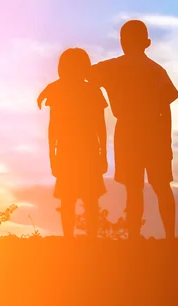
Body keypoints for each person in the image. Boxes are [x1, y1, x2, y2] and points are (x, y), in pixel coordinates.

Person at [88, 20, 178, 240]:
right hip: (155, 131)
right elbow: (166, 111)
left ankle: (133, 236)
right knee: (161, 186)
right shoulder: (157, 70)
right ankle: (170, 237)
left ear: (122, 42)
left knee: (133, 188)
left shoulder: (112, 67)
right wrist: (167, 142)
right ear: (147, 43)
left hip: (128, 131)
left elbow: (84, 73)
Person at [37, 48, 108, 238]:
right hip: (75, 150)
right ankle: (72, 239)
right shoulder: (65, 90)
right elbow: (53, 127)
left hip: (84, 150)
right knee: (74, 200)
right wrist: (53, 155)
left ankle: (80, 239)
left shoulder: (89, 90)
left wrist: (103, 154)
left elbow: (100, 126)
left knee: (84, 200)